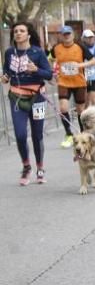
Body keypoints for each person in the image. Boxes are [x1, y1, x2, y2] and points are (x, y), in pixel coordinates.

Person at [2, 21, 53, 185]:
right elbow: (7, 72)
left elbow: (49, 75)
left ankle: (40, 167)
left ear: (28, 34)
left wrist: (36, 70)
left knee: (37, 135)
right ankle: (26, 166)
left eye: (21, 31)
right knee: (20, 135)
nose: (18, 33)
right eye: (16, 31)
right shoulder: (10, 52)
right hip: (17, 97)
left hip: (37, 98)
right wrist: (5, 77)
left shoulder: (38, 52)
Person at [51, 26, 95, 148]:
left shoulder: (80, 46)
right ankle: (69, 134)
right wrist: (53, 71)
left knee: (80, 110)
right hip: (63, 82)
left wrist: (80, 65)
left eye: (68, 34)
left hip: (79, 83)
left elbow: (93, 61)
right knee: (63, 108)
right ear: (61, 35)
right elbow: (50, 59)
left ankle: (83, 135)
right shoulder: (56, 48)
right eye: (64, 34)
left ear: (73, 35)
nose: (66, 36)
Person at [81, 29, 95, 108]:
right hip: (84, 78)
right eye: (88, 37)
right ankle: (87, 118)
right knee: (85, 102)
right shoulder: (80, 48)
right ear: (83, 39)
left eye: (91, 37)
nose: (90, 39)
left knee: (94, 100)